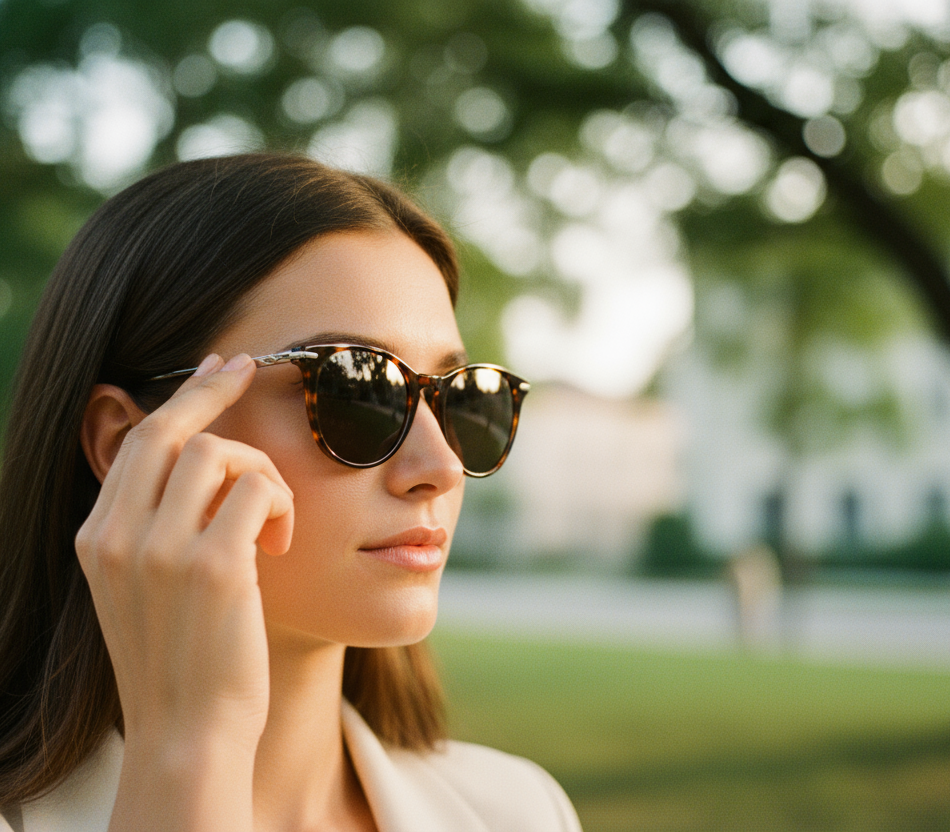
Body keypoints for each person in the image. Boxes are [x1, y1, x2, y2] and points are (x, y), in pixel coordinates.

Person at [0, 154, 582, 832]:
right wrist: (192, 752)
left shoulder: (518, 811)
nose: (441, 465)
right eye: (357, 388)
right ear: (127, 442)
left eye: (457, 397)